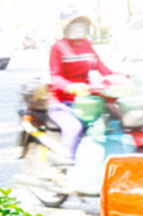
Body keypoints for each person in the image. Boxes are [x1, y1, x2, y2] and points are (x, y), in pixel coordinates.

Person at [48, 7, 114, 160]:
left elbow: (101, 67)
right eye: (73, 24)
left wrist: (119, 78)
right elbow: (55, 77)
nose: (77, 28)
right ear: (65, 28)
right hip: (62, 102)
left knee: (113, 121)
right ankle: (66, 164)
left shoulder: (86, 44)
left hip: (85, 101)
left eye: (80, 24)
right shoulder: (57, 48)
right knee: (73, 127)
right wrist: (69, 86)